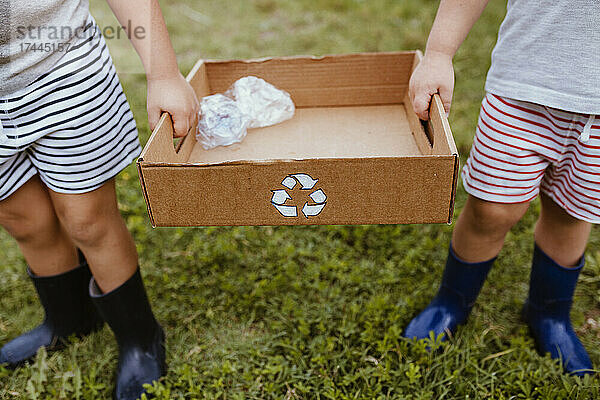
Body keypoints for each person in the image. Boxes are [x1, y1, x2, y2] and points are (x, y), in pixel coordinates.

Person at [0, 0, 199, 398]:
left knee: (87, 220)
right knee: (23, 218)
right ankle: (69, 319)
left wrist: (163, 73)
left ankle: (140, 339)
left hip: (64, 69)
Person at [402, 0, 598, 376]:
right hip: (523, 92)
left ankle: (549, 314)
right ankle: (452, 301)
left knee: (572, 214)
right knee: (491, 209)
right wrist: (439, 53)